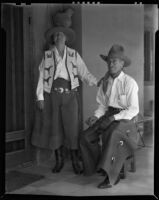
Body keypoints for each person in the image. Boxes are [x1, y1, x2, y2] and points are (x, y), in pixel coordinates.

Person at [31, 8, 98, 175]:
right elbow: (41, 77)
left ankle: (75, 160)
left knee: (72, 128)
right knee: (55, 128)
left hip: (70, 96)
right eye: (55, 35)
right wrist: (40, 97)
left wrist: (97, 82)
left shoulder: (74, 55)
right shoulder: (47, 56)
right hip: (52, 96)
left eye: (60, 35)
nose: (57, 37)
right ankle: (59, 160)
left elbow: (84, 73)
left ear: (66, 38)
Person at [80, 44, 139, 188]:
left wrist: (114, 118)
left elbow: (133, 109)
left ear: (122, 63)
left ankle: (114, 174)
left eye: (115, 61)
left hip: (126, 118)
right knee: (86, 136)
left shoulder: (129, 83)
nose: (111, 64)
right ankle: (98, 166)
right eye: (109, 61)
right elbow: (103, 106)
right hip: (109, 114)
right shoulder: (105, 82)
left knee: (112, 134)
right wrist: (96, 116)